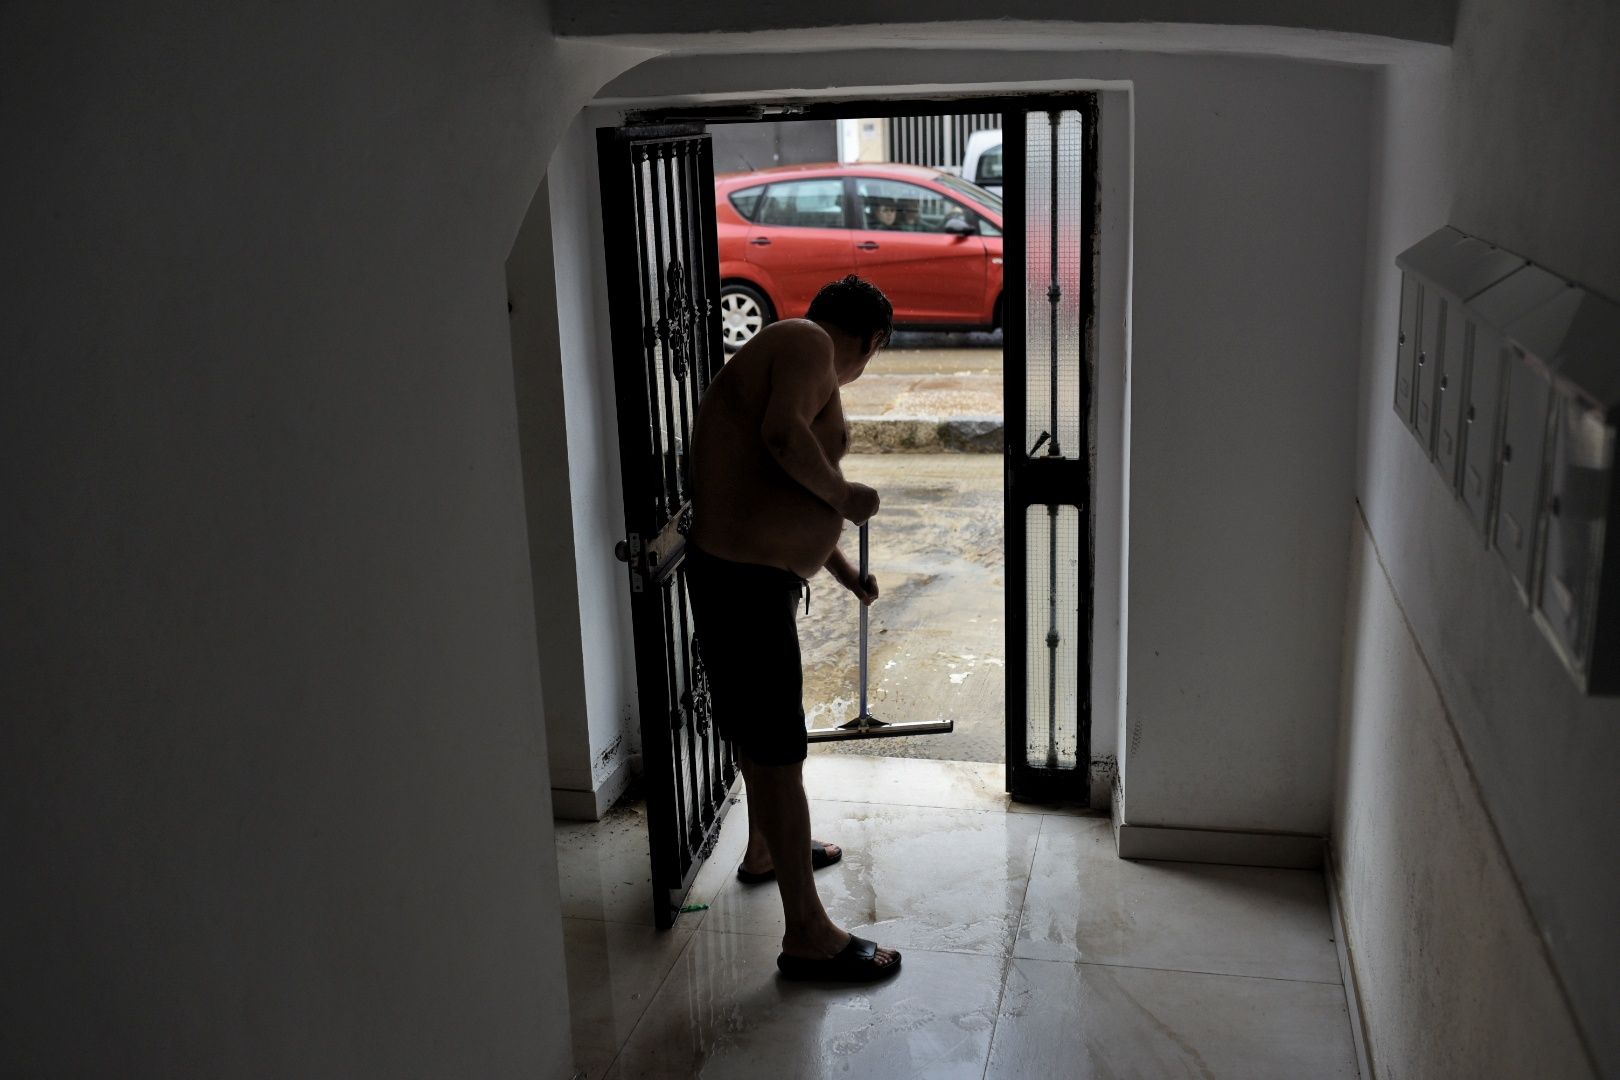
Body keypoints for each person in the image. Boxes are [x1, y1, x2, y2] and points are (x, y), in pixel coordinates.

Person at [684, 275, 901, 983]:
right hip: (742, 584)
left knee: (763, 736)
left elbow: (775, 478)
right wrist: (844, 496)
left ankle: (765, 851)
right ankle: (808, 935)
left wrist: (838, 568)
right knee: (779, 750)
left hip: (751, 580)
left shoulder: (794, 352)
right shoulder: (807, 343)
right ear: (871, 340)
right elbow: (783, 441)